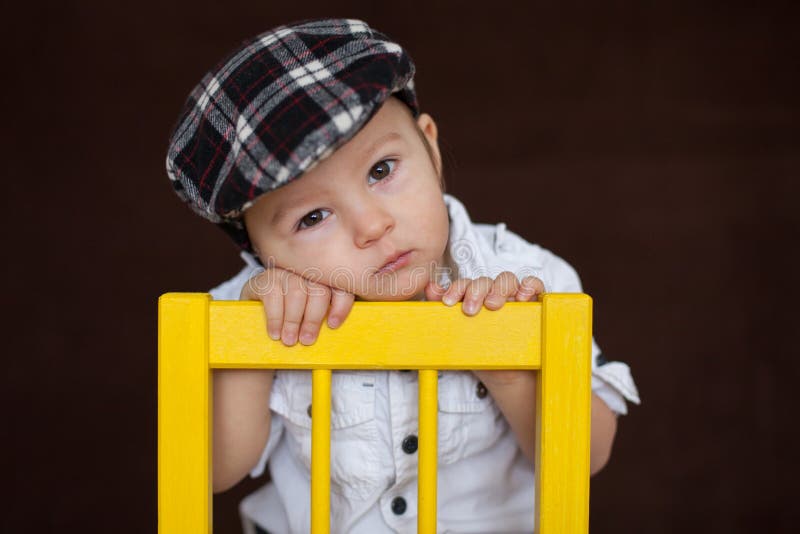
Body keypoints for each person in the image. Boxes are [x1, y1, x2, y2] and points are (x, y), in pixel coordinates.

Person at [165, 18, 640, 533]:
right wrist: (252, 344)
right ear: (260, 251)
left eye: (382, 170)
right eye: (312, 218)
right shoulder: (253, 310)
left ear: (430, 149)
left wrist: (509, 362)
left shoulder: (525, 281)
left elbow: (588, 456)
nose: (371, 226)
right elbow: (213, 470)